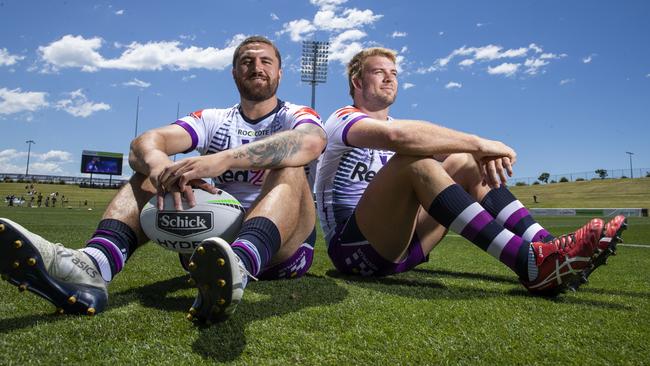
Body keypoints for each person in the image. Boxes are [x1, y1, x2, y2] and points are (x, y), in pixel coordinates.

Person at [0, 35, 326, 322]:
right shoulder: (213, 119)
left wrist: (220, 160)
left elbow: (310, 142)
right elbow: (144, 142)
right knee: (145, 171)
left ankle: (242, 262)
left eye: (266, 61)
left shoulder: (294, 115)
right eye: (247, 61)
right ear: (234, 73)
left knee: (290, 164)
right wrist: (160, 170)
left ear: (279, 72)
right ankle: (94, 264)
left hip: (283, 252)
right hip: (209, 252)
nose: (257, 67)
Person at [314, 47, 627, 294]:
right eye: (379, 72)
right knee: (413, 161)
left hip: (405, 248)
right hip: (354, 252)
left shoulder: (399, 124)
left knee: (464, 160)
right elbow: (398, 138)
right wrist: (482, 143)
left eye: (393, 73)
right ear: (357, 82)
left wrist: (478, 154)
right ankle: (529, 263)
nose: (389, 78)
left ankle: (548, 247)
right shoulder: (343, 118)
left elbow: (451, 152)